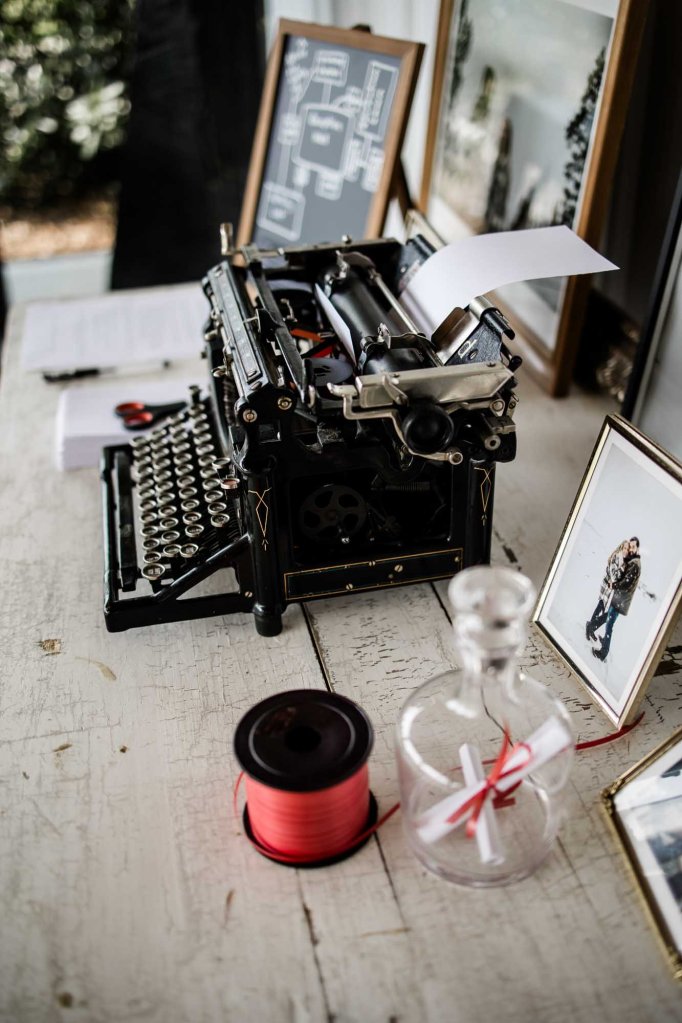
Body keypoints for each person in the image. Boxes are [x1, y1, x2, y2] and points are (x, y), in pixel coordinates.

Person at [587, 537, 641, 662]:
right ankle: (592, 627)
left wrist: (614, 585)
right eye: (630, 546)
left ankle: (603, 651)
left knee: (609, 624)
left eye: (633, 547)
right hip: (620, 600)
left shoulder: (635, 564)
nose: (631, 549)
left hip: (620, 601)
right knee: (607, 618)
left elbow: (626, 583)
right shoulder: (632, 561)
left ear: (637, 548)